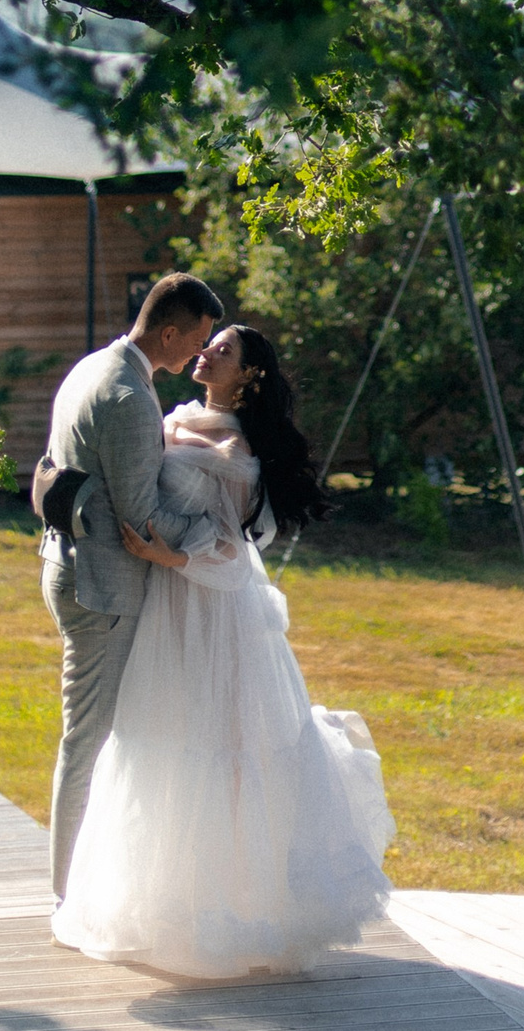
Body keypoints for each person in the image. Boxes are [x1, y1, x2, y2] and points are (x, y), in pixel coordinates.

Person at [52, 323, 393, 979]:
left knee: (227, 749)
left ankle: (239, 911)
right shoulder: (173, 417)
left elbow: (236, 553)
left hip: (213, 610)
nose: (206, 352)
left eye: (223, 349)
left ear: (248, 375)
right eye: (208, 343)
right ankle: (166, 906)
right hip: (166, 610)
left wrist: (172, 557)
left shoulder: (238, 452)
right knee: (160, 739)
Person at [38, 272, 224, 899]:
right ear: (168, 333)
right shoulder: (128, 397)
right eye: (196, 339)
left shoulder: (92, 366)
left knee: (95, 738)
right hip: (102, 589)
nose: (199, 352)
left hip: (69, 567)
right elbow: (140, 517)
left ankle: (94, 884)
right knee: (87, 743)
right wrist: (210, 531)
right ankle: (68, 898)